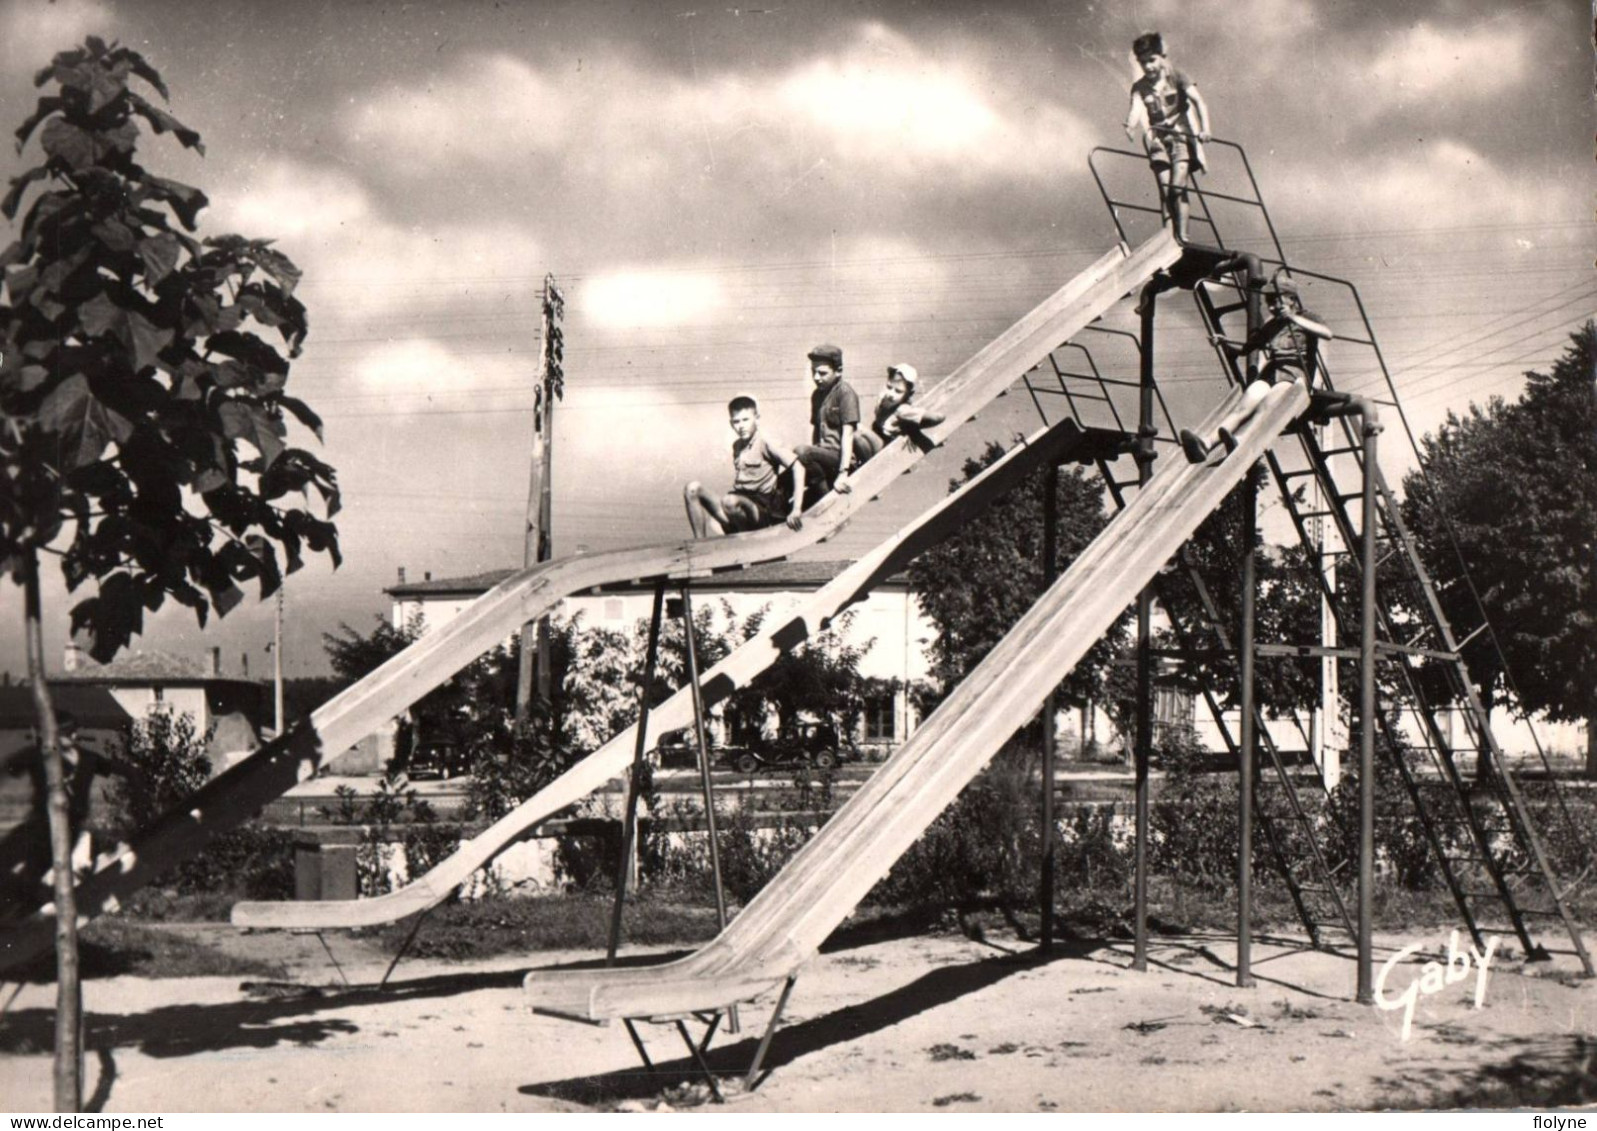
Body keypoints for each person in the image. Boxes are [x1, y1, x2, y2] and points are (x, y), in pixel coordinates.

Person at [1180, 271, 1334, 463]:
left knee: (1266, 405)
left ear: (1292, 300)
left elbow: (1327, 334)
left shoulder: (1308, 317)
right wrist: (1225, 343)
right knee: (1244, 405)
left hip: (1292, 375)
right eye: (1270, 302)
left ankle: (1240, 440)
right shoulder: (1271, 325)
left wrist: (1293, 319)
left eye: (1278, 301)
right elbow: (1247, 348)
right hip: (1271, 373)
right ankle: (1206, 443)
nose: (1273, 307)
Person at [1123, 31, 1211, 243]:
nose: (1148, 67)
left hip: (1180, 138)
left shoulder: (1177, 77)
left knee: (1177, 187)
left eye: (1152, 60)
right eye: (1143, 63)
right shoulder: (1140, 86)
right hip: (1158, 141)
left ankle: (1183, 236)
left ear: (1162, 56)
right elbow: (1136, 107)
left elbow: (1199, 102)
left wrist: (1205, 129)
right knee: (1165, 190)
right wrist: (1131, 125)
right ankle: (1169, 239)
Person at [683, 394, 806, 537]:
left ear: (757, 418)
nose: (741, 426)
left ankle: (745, 543)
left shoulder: (766, 442)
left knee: (730, 501)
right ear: (731, 423)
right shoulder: (737, 446)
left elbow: (798, 467)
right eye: (736, 422)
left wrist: (796, 509)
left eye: (746, 420)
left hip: (761, 511)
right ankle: (700, 546)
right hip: (737, 510)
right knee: (692, 489)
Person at [794, 343, 862, 498]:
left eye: (822, 373)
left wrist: (843, 472)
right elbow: (816, 433)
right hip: (822, 456)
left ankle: (826, 498)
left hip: (841, 458)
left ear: (838, 371)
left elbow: (848, 435)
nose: (816, 378)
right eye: (813, 372)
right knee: (791, 468)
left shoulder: (846, 394)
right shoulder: (817, 395)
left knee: (801, 452)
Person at [851, 363, 947, 466]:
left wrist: (914, 427)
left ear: (908, 394)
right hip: (878, 440)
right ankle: (859, 461)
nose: (891, 394)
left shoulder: (902, 411)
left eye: (898, 391)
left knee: (857, 429)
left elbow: (939, 417)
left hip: (887, 451)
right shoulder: (884, 399)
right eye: (889, 387)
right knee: (852, 431)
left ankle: (866, 466)